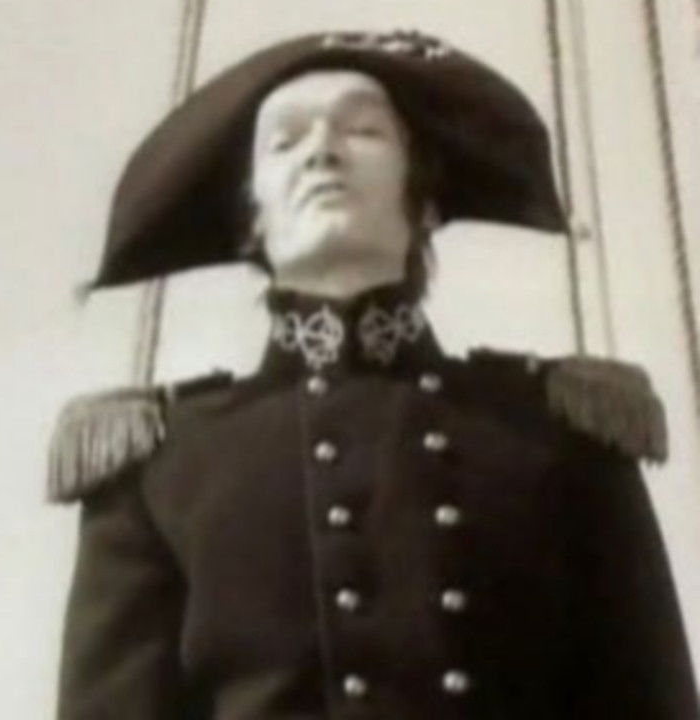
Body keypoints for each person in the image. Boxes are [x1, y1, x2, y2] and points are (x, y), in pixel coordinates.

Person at [49, 30, 698, 718]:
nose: (322, 152)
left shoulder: (555, 434)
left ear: (427, 203)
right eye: (285, 142)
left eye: (363, 130)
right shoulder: (164, 466)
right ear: (250, 223)